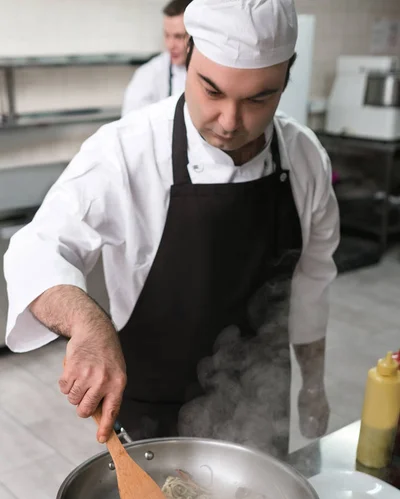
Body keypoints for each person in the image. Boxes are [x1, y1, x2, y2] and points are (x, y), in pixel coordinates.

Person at [4, 0, 339, 459]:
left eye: (259, 98)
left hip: (260, 409)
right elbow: (36, 248)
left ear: (286, 78)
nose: (228, 121)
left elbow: (314, 280)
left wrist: (312, 385)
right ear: (188, 57)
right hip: (151, 419)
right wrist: (88, 320)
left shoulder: (304, 158)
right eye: (212, 90)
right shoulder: (126, 150)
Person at [121, 0, 192, 115]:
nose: (170, 45)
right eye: (167, 35)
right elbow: (131, 123)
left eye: (178, 37)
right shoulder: (148, 74)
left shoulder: (212, 71)